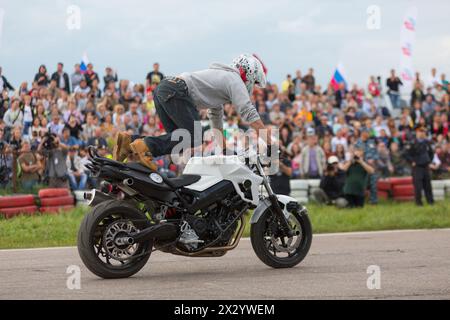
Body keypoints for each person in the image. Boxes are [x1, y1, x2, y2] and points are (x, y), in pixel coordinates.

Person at [113, 54, 270, 170]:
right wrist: (269, 142)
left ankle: (129, 141)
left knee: (179, 141)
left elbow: (215, 118)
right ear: (248, 73)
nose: (253, 86)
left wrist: (223, 151)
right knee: (194, 136)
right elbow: (248, 111)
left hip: (164, 88)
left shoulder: (222, 81)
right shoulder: (234, 79)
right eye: (254, 82)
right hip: (177, 91)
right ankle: (145, 146)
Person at [404, 125, 434, 206]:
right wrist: (412, 161)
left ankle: (430, 202)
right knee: (418, 186)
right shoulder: (412, 142)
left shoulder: (427, 142)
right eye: (421, 131)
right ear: (417, 132)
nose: (422, 133)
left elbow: (431, 153)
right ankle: (419, 203)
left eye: (423, 131)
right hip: (417, 166)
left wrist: (429, 161)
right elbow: (406, 154)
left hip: (426, 165)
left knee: (428, 185)